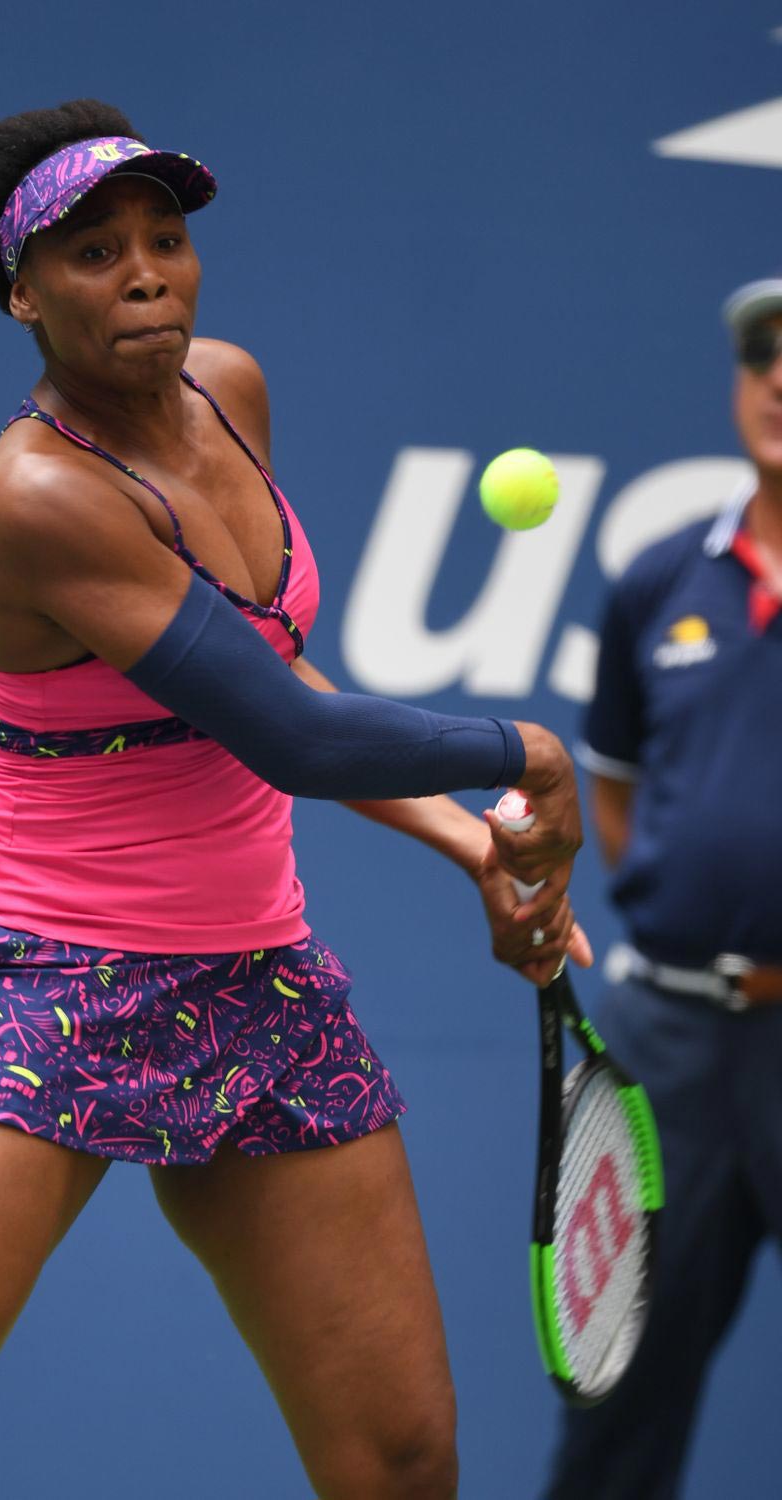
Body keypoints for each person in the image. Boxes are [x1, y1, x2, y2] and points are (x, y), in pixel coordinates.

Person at [0, 99, 588, 1500]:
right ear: (20, 293)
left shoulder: (231, 394)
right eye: (91, 252)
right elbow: (296, 738)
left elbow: (278, 690)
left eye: (165, 240)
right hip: (38, 976)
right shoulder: (33, 494)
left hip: (256, 977)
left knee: (402, 1458)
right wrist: (524, 757)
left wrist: (463, 843)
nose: (144, 274)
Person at [542, 277, 782, 1500]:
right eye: (764, 354)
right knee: (616, 1406)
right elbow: (620, 796)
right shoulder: (656, 584)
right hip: (669, 1049)